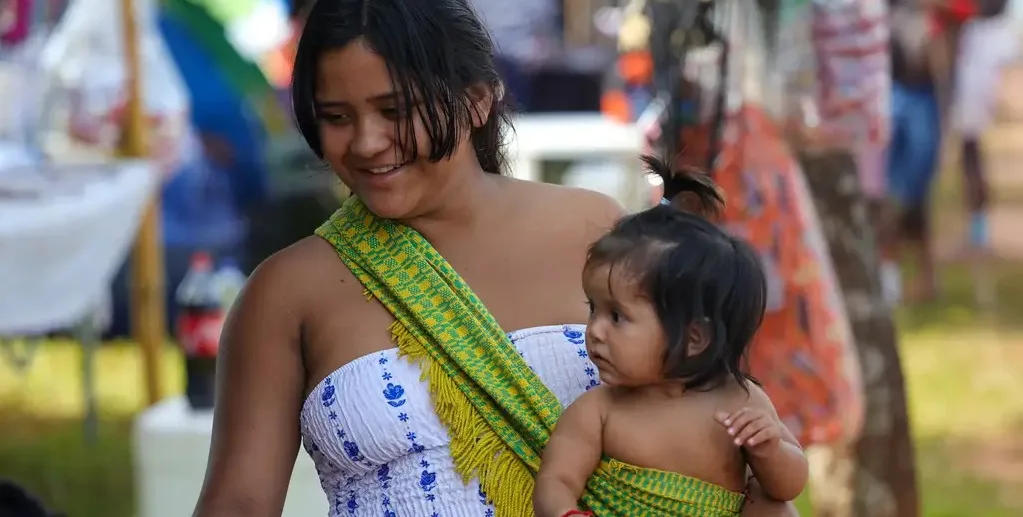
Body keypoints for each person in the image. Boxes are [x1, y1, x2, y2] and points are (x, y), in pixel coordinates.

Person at [191, 0, 796, 516]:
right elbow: (239, 505)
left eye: (396, 111)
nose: (367, 143)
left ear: (478, 100)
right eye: (337, 118)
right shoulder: (288, 291)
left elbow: (730, 434)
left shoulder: (599, 233)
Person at [534, 158, 808, 517]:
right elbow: (556, 481)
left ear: (695, 338)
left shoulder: (739, 401)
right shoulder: (600, 411)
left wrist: (769, 449)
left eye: (617, 316)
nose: (595, 330)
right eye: (593, 309)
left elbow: (788, 485)